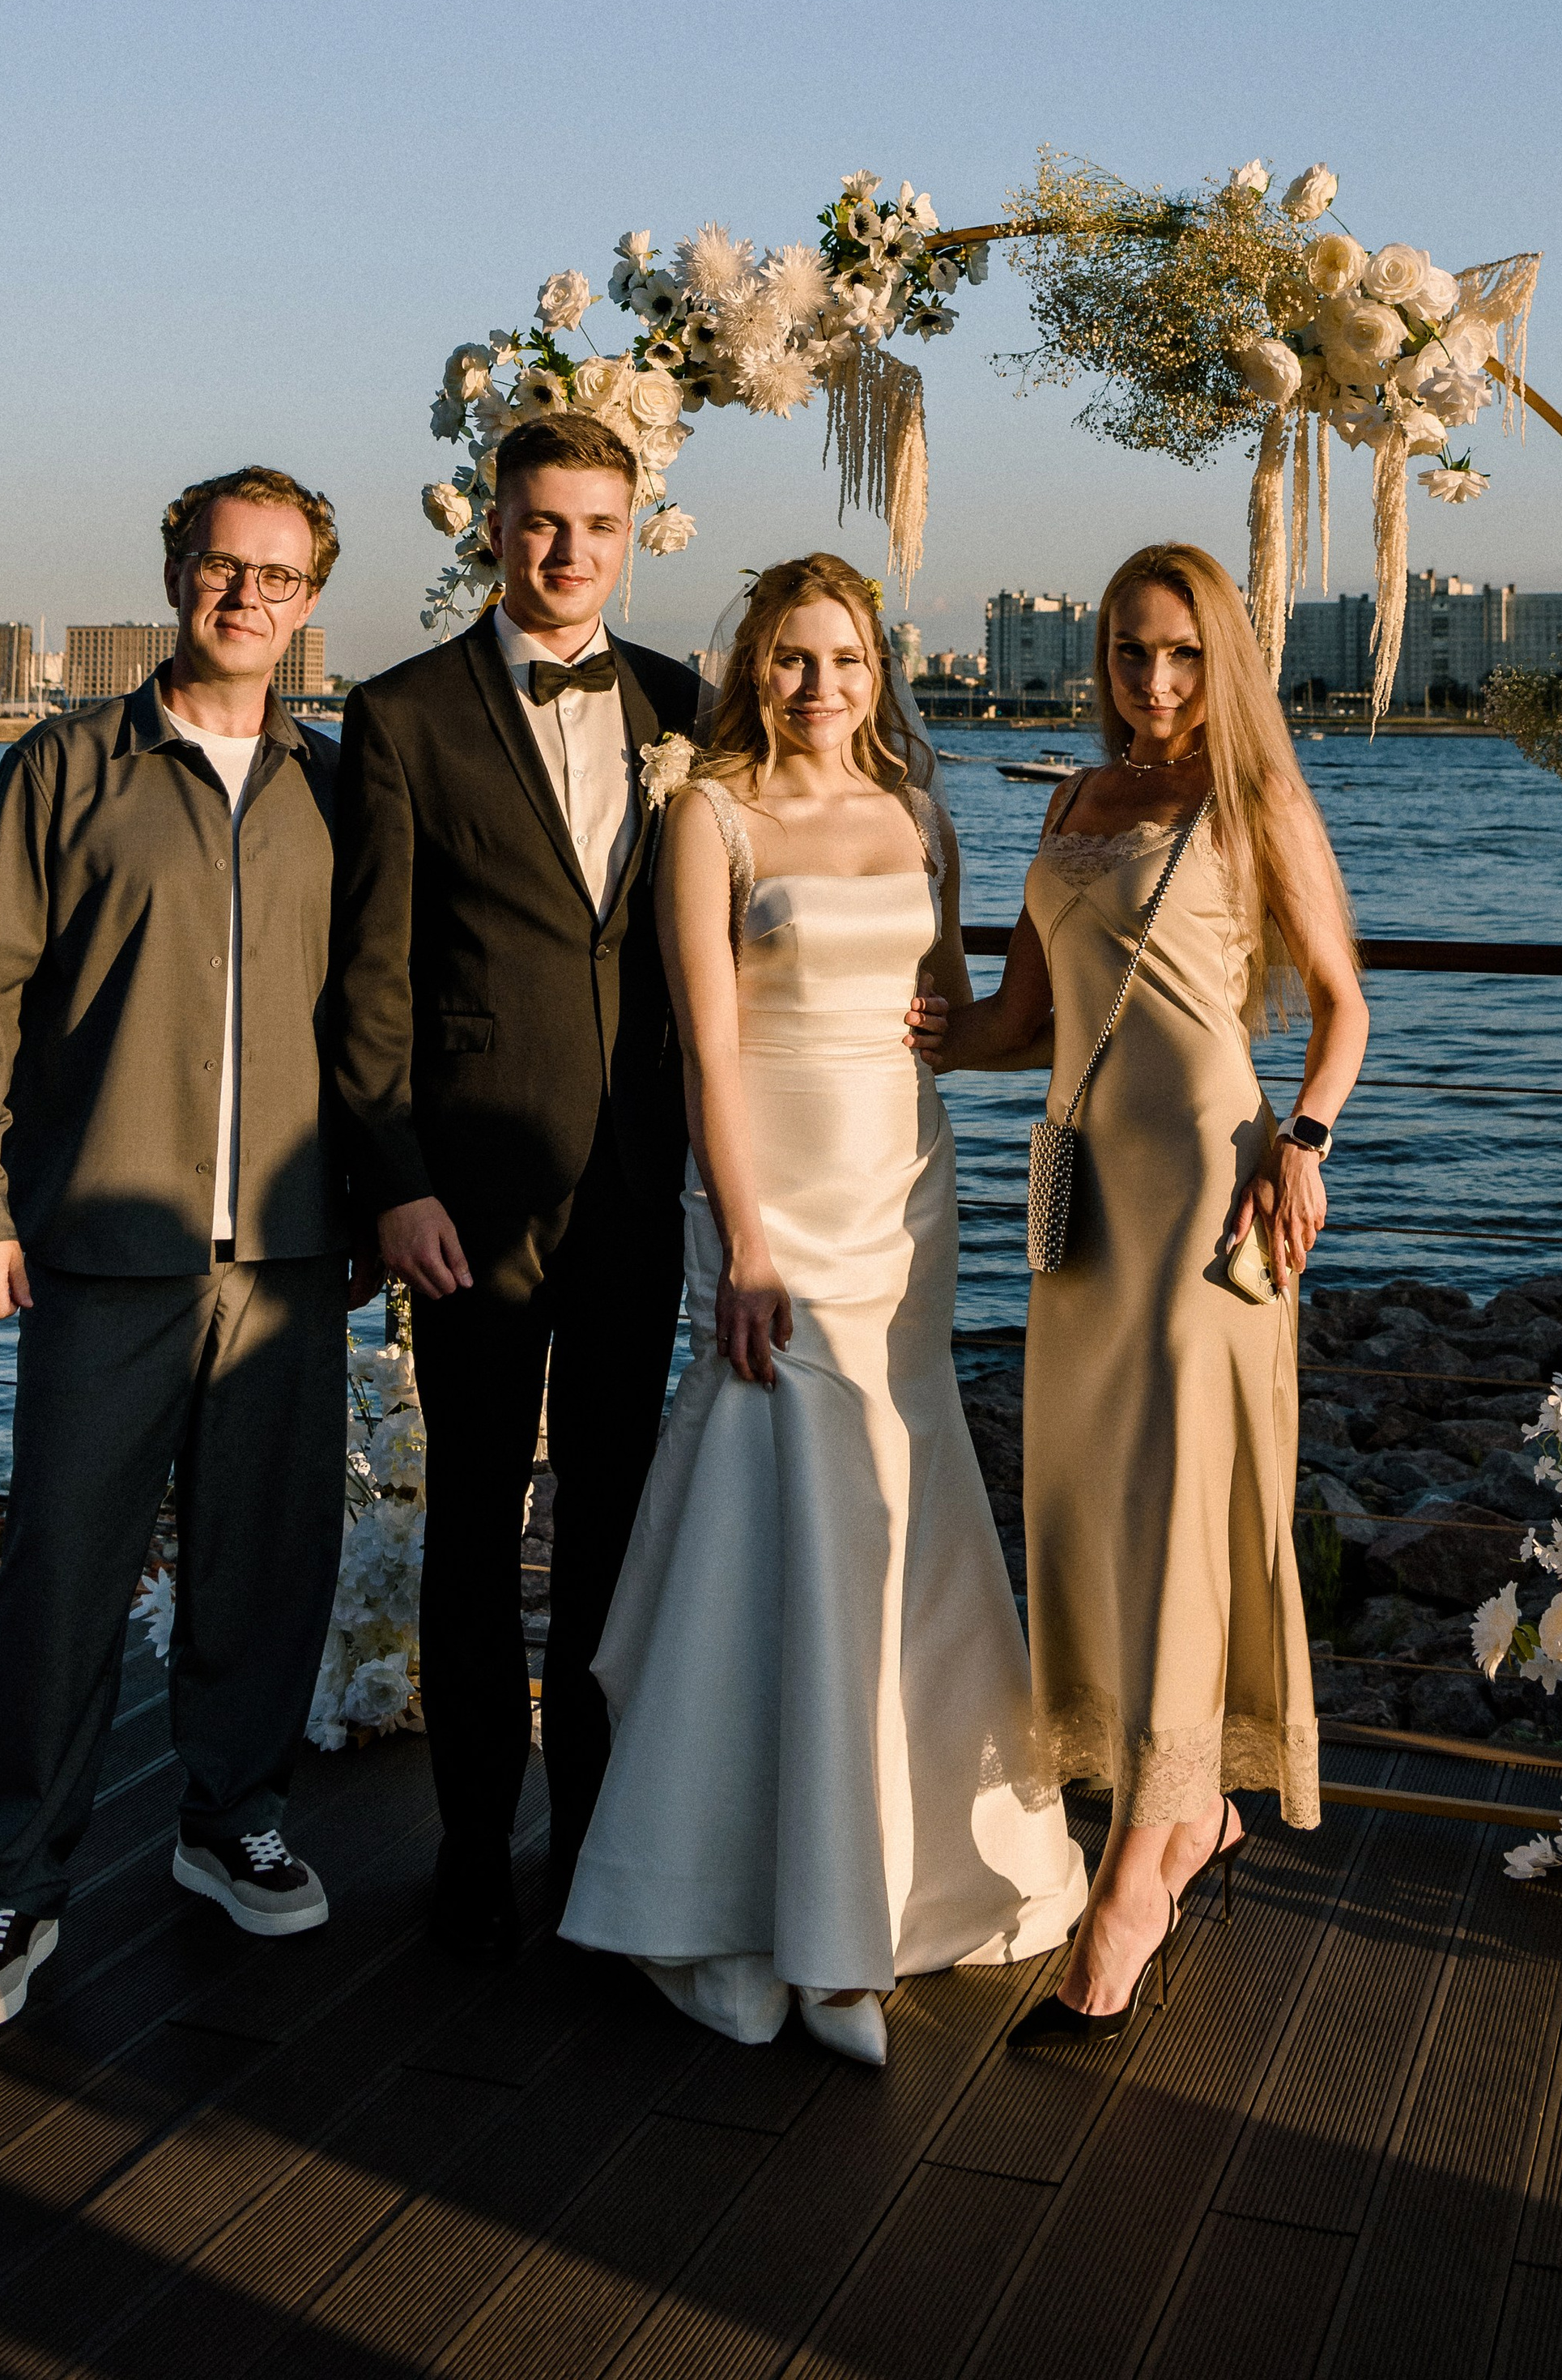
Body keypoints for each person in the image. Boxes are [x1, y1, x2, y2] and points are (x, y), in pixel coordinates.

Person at [559, 556, 1086, 2061]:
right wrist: (742, 1242)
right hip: (774, 1193)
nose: (819, 688)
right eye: (791, 660)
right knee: (774, 1513)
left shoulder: (918, 811)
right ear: (752, 670)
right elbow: (703, 1059)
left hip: (905, 1187)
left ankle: (883, 1890)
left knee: (900, 1515)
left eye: (844, 660)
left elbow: (947, 1002)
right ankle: (739, 1905)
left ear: (878, 668)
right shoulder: (709, 814)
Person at [0, 467, 350, 2033]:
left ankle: (231, 1818)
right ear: (176, 572)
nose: (247, 596)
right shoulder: (62, 769)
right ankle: (8, 1884)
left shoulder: (335, 785)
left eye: (279, 575)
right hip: (105, 1237)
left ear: (312, 600)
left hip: (292, 1253)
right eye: (223, 566)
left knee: (268, 1558)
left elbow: (370, 1026)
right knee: (63, 1573)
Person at [934, 541, 1368, 2045]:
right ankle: (1185, 1811)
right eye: (1132, 653)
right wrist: (874, 1024)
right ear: (1101, 657)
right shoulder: (1068, 803)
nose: (1159, 681)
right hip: (1081, 1205)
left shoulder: (1260, 802)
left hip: (1210, 1200)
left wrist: (1304, 1139)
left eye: (1185, 654)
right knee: (1090, 1502)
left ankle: (1136, 1872)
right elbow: (1015, 1023)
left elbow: (1342, 1004)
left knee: (1184, 1512)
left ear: (1225, 658)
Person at [330, 414, 704, 1958]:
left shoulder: (690, 705)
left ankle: (604, 1821)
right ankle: (477, 1829)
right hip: (467, 1199)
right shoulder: (403, 714)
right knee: (476, 1516)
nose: (569, 553)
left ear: (633, 533)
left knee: (616, 1514)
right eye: (542, 523)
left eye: (598, 526)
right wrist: (393, 1180)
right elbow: (370, 983)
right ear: (494, 526)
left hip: (635, 1183)